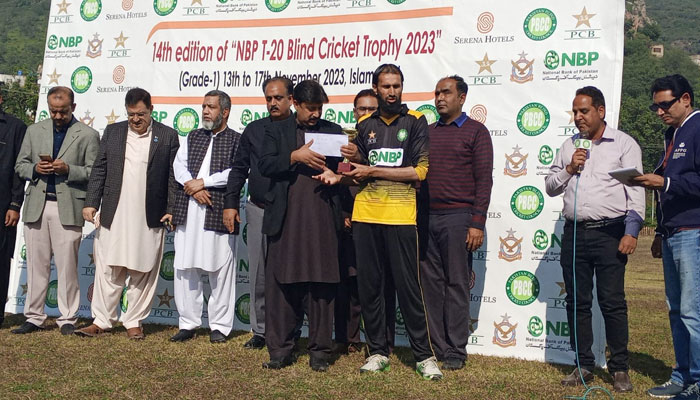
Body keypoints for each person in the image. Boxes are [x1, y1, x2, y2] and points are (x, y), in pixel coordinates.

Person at [341, 64, 442, 380]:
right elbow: (356, 165)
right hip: (365, 214)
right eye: (386, 86)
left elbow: (419, 172)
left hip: (399, 216)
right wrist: (349, 161)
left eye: (397, 85)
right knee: (370, 287)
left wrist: (371, 171)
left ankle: (424, 357)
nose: (392, 91)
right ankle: (378, 352)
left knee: (408, 288)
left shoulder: (415, 121)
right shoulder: (363, 124)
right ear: (376, 89)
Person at [544, 86, 644, 393]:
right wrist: (571, 167)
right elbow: (550, 186)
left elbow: (636, 191)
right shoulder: (569, 146)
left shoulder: (623, 144)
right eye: (575, 112)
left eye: (584, 111)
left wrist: (631, 231)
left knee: (612, 302)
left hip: (610, 232)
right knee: (577, 302)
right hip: (574, 234)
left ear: (600, 111)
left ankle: (620, 369)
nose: (578, 118)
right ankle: (583, 364)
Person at [76, 88, 179, 340]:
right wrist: (91, 202)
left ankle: (134, 320)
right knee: (109, 267)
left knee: (143, 268)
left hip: (150, 213)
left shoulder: (167, 136)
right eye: (131, 114)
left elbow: (173, 178)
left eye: (141, 114)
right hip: (115, 210)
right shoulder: (113, 132)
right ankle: (102, 320)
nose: (136, 119)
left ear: (151, 110)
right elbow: (99, 169)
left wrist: (171, 209)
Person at [258, 80, 346, 372]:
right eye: (310, 108)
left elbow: (347, 168)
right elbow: (265, 166)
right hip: (285, 220)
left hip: (322, 219)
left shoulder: (333, 131)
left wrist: (338, 174)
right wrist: (295, 156)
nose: (315, 114)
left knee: (322, 285)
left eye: (319, 108)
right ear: (295, 103)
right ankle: (280, 351)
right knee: (281, 285)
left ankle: (320, 352)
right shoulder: (275, 129)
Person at [419, 75, 493, 370]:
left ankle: (456, 351)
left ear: (462, 97)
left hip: (459, 218)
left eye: (446, 92)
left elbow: (484, 180)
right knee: (431, 287)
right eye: (437, 92)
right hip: (426, 218)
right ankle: (437, 348)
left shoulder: (476, 132)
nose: (440, 97)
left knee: (457, 285)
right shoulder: (425, 132)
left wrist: (477, 222)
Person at [633, 74, 700, 400]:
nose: (659, 111)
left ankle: (698, 381)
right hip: (674, 232)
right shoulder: (671, 134)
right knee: (676, 310)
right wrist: (659, 231)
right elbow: (668, 187)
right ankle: (681, 376)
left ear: (685, 99)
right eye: (655, 106)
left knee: (693, 311)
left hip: (695, 233)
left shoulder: (698, 128)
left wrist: (665, 184)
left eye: (665, 105)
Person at [13, 86, 99, 335]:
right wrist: (34, 170)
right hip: (37, 206)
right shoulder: (34, 130)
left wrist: (69, 170)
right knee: (36, 265)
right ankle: (34, 316)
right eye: (53, 111)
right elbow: (20, 165)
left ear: (73, 107)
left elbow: (95, 172)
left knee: (67, 266)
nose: (58, 116)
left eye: (62, 111)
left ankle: (68, 317)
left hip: (69, 207)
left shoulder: (88, 134)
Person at [223, 76, 295, 350]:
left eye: (278, 98)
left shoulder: (299, 128)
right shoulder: (254, 130)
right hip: (259, 209)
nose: (273, 103)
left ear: (291, 99)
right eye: (269, 98)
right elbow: (239, 169)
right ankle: (261, 330)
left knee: (291, 273)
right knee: (259, 275)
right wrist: (231, 203)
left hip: (292, 212)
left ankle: (290, 329)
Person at [170, 90, 240, 343]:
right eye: (203, 106)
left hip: (218, 208)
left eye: (210, 107)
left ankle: (219, 326)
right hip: (189, 208)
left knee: (220, 266)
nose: (205, 111)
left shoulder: (236, 140)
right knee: (185, 267)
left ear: (225, 112)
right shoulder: (193, 136)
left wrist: (204, 182)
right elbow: (179, 165)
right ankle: (188, 323)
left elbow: (236, 172)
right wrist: (191, 184)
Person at [333, 90, 398, 355]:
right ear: (354, 112)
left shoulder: (391, 144)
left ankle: (382, 343)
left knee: (381, 285)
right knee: (347, 284)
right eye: (362, 109)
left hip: (379, 221)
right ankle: (347, 338)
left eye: (372, 109)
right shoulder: (340, 145)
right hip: (346, 223)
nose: (366, 114)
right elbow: (332, 183)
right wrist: (343, 215)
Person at [0, 88, 27, 327]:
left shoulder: (16, 127)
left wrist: (15, 204)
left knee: (0, 260)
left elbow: (20, 171)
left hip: (3, 206)